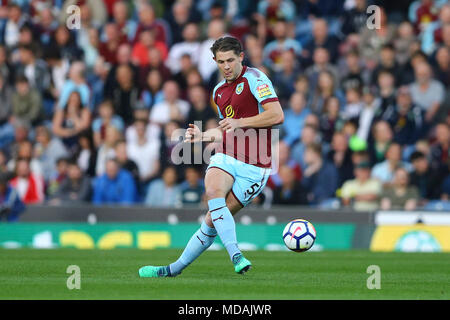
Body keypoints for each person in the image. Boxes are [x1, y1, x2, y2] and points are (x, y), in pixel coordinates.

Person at [139, 36, 284, 277]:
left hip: (256, 164)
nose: (226, 66)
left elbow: (277, 115)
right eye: (220, 62)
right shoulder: (218, 92)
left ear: (241, 57)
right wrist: (203, 135)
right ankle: (236, 254)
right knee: (213, 193)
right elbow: (226, 129)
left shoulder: (256, 79)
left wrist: (240, 122)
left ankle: (172, 270)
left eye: (230, 60)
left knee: (211, 221)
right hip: (228, 153)